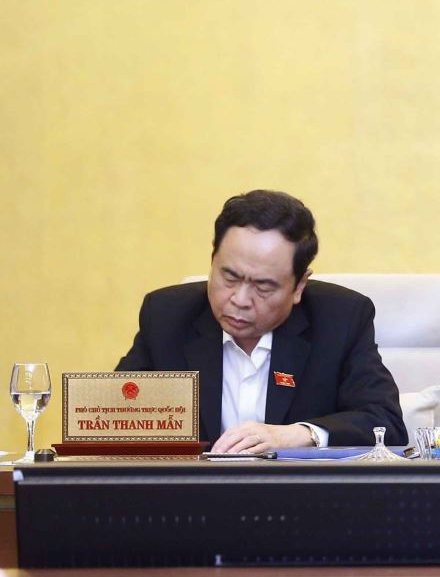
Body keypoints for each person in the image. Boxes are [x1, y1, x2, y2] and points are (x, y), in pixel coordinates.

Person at [117, 189, 405, 454]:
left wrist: (297, 435)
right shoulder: (167, 316)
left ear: (299, 286)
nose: (240, 299)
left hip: (298, 491)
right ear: (213, 259)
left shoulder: (340, 319)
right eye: (229, 277)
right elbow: (115, 415)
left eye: (263, 286)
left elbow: (385, 423)